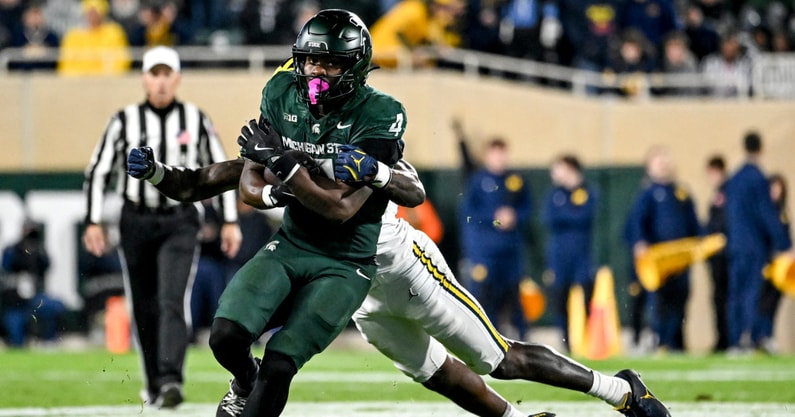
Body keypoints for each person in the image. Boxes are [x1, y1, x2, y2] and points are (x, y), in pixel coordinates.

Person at [127, 143, 672, 417]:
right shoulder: (266, 157)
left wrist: (326, 172)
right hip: (353, 289)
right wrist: (153, 172)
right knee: (431, 370)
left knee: (499, 359)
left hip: (401, 261)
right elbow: (200, 180)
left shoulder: (334, 149)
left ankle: (621, 391)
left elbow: (401, 186)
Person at [210, 10, 407, 417]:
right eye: (312, 60)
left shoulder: (380, 114)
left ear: (356, 66)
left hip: (345, 260)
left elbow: (340, 208)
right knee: (225, 336)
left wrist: (284, 166)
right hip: (292, 243)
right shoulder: (281, 92)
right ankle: (245, 380)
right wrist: (272, 195)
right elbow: (249, 181)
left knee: (280, 363)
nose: (318, 71)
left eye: (332, 62)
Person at [82, 46, 241, 408]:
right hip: (135, 217)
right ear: (144, 78)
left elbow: (221, 170)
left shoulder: (196, 119)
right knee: (143, 303)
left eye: (167, 73)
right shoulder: (124, 120)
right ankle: (154, 381)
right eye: (155, 73)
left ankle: (170, 379)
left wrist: (230, 219)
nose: (161, 81)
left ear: (178, 78)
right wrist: (93, 219)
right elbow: (98, 171)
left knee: (172, 299)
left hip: (179, 221)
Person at [625, 146, 701, 353]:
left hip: (681, 260)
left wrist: (700, 244)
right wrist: (640, 243)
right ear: (650, 167)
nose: (664, 165)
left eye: (666, 161)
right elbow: (637, 224)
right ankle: (659, 341)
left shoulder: (682, 192)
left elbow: (694, 224)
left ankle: (674, 341)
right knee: (658, 301)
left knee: (680, 299)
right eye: (659, 162)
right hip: (658, 260)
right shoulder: (647, 194)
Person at [723, 131, 792, 354]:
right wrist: (784, 244)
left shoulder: (733, 179)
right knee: (752, 293)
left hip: (735, 245)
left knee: (735, 293)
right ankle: (748, 339)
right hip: (754, 246)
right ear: (760, 149)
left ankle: (734, 340)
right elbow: (766, 214)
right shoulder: (758, 179)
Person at [460, 138, 532, 342]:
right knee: (485, 294)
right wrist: (495, 218)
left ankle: (524, 336)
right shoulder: (477, 181)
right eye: (495, 154)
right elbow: (469, 215)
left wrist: (514, 216)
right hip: (486, 250)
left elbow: (527, 208)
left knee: (513, 293)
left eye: (503, 154)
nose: (500, 159)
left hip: (510, 250)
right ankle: (488, 336)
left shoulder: (516, 180)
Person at [541, 154, 598, 350]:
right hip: (559, 256)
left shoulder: (588, 191)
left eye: (559, 169)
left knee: (587, 297)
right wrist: (571, 214)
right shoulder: (554, 194)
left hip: (582, 255)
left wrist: (565, 214)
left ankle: (589, 340)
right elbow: (548, 218)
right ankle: (567, 343)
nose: (554, 174)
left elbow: (585, 216)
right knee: (560, 299)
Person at [0, 220, 67, 348]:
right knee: (16, 340)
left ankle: (49, 340)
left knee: (55, 307)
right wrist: (21, 252)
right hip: (15, 303)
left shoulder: (39, 250)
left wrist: (36, 252)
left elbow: (47, 265)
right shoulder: (12, 250)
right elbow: (6, 266)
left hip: (34, 299)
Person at [753, 173, 790, 354]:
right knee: (762, 302)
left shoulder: (782, 212)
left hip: (780, 266)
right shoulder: (764, 212)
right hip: (766, 263)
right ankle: (759, 336)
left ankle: (768, 335)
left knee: (774, 302)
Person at [369, 0, 466, 68]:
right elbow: (399, 33)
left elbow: (434, 38)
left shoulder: (430, 18)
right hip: (379, 55)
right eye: (443, 7)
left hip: (391, 61)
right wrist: (413, 51)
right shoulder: (414, 9)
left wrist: (441, 47)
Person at [57, 0, 131, 76]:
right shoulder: (73, 35)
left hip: (108, 82)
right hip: (79, 82)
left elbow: (122, 60)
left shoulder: (114, 33)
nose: (93, 15)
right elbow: (65, 64)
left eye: (96, 12)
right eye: (90, 12)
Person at [704, 155, 729, 352]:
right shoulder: (718, 194)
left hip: (725, 257)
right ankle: (722, 339)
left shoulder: (728, 194)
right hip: (716, 258)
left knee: (725, 299)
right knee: (718, 299)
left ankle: (728, 339)